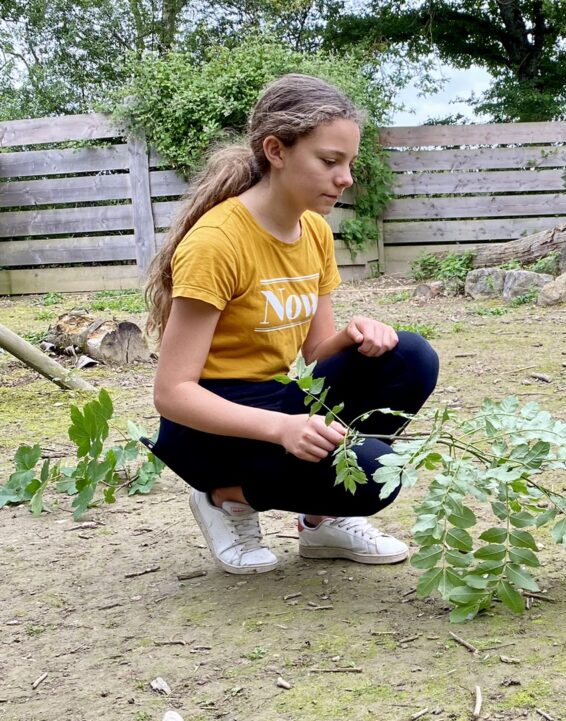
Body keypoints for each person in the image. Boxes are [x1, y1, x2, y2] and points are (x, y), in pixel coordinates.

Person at [145, 73, 439, 575]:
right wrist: (282, 428)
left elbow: (314, 352)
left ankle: (321, 521)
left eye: (348, 162)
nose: (345, 177)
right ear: (276, 150)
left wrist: (351, 336)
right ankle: (224, 500)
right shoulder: (217, 243)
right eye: (330, 161)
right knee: (369, 476)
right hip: (210, 427)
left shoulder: (314, 232)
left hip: (278, 399)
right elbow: (172, 392)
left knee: (409, 357)